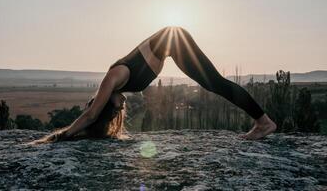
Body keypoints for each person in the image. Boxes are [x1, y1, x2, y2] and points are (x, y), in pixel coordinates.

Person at [33, 26, 277, 144]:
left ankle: (263, 122)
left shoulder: (112, 78)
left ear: (106, 100)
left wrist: (59, 136)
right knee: (215, 84)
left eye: (115, 108)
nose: (121, 107)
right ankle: (262, 121)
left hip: (175, 40)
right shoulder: (122, 84)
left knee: (216, 83)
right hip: (174, 44)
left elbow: (91, 114)